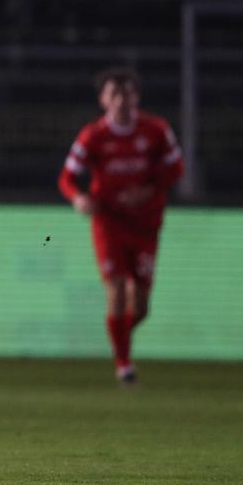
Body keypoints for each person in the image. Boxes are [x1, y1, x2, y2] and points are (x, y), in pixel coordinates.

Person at [58, 67, 184, 385]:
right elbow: (67, 177)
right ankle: (124, 364)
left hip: (145, 224)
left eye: (127, 93)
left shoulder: (156, 130)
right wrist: (78, 198)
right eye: (114, 94)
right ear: (103, 100)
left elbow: (176, 169)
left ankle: (119, 339)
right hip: (108, 221)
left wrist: (147, 191)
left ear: (137, 97)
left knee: (140, 307)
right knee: (115, 288)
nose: (121, 100)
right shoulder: (93, 136)